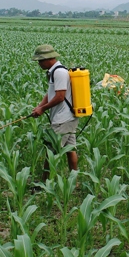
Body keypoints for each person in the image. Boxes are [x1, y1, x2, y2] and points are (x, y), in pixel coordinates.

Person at [31, 44, 79, 180]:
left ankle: (44, 182)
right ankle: (73, 181)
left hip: (63, 119)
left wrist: (43, 109)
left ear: (48, 59)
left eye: (40, 60)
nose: (39, 64)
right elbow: (51, 93)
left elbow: (59, 96)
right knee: (70, 150)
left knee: (51, 152)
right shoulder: (54, 72)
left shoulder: (59, 72)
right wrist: (39, 106)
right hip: (67, 117)